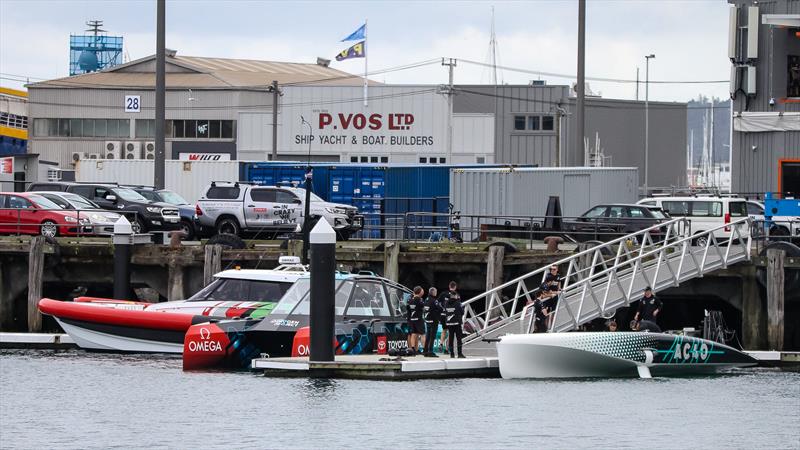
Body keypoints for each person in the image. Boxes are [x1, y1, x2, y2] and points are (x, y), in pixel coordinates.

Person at [442, 281, 466, 358]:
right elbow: (462, 312)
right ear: (455, 296)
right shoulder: (458, 303)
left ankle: (451, 354)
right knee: (459, 339)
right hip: (457, 323)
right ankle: (459, 354)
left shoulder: (446, 303)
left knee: (451, 339)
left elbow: (445, 311)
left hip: (449, 323)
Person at [422, 287, 441, 357]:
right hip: (433, 321)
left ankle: (425, 350)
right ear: (433, 293)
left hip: (427, 320)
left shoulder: (426, 300)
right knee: (432, 337)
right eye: (435, 292)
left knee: (428, 336)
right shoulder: (434, 300)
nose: (436, 293)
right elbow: (440, 308)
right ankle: (430, 351)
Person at [406, 286, 425, 355]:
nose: (423, 292)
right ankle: (424, 349)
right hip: (419, 319)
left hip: (412, 319)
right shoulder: (419, 300)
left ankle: (413, 349)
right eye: (422, 291)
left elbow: (408, 309)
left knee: (413, 334)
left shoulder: (410, 300)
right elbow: (423, 308)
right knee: (422, 334)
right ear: (419, 292)